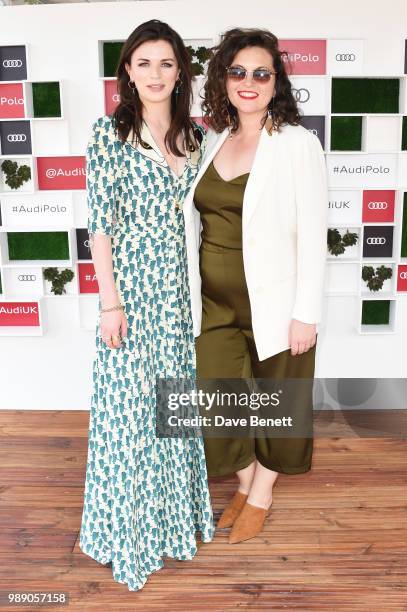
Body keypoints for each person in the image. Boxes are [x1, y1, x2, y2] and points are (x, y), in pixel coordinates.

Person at [79, 19, 214, 592]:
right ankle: (129, 534)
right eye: (143, 63)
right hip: (131, 293)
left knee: (173, 410)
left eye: (165, 63)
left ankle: (174, 522)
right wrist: (110, 304)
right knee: (130, 416)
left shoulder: (199, 137)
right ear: (127, 72)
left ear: (180, 70)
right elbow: (101, 225)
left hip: (180, 293)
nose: (155, 74)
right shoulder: (107, 133)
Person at [181, 28, 328, 544]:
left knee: (280, 400)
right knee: (212, 400)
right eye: (238, 71)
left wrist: (306, 311)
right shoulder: (213, 138)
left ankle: (259, 495)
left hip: (277, 300)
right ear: (223, 78)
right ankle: (244, 480)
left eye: (261, 73)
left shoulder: (296, 143)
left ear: (276, 82)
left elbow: (314, 234)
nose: (248, 82)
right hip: (213, 301)